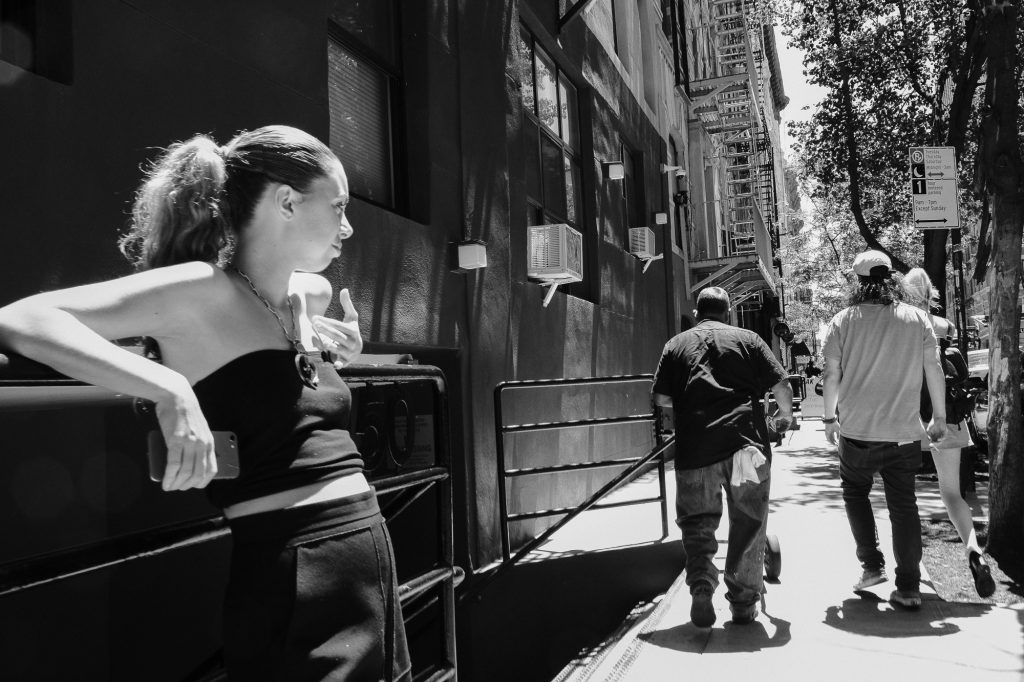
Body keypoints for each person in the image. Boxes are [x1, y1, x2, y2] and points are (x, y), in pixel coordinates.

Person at [0, 125, 411, 681]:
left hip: (369, 554)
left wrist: (341, 346)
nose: (348, 224)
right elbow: (22, 319)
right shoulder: (201, 290)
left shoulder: (303, 293)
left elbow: (301, 333)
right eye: (337, 205)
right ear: (286, 201)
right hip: (296, 570)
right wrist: (167, 387)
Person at [652, 286, 793, 628]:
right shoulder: (749, 339)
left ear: (698, 314)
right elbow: (782, 387)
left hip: (695, 450)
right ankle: (744, 604)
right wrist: (783, 419)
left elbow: (661, 399)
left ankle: (702, 586)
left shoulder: (676, 344)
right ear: (728, 313)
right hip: (746, 448)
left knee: (698, 523)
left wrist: (691, 405)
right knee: (748, 521)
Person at [822, 250, 947, 609]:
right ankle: (908, 588)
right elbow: (933, 368)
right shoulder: (916, 319)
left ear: (859, 283)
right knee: (903, 506)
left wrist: (829, 419)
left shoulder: (843, 320)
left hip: (857, 432)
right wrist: (938, 417)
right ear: (892, 279)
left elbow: (832, 374)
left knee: (855, 493)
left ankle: (872, 565)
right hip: (905, 433)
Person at [901, 267, 995, 597]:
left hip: (909, 421)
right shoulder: (946, 327)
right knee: (952, 494)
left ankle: (909, 570)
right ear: (931, 295)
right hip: (948, 421)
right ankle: (974, 553)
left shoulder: (901, 326)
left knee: (902, 496)